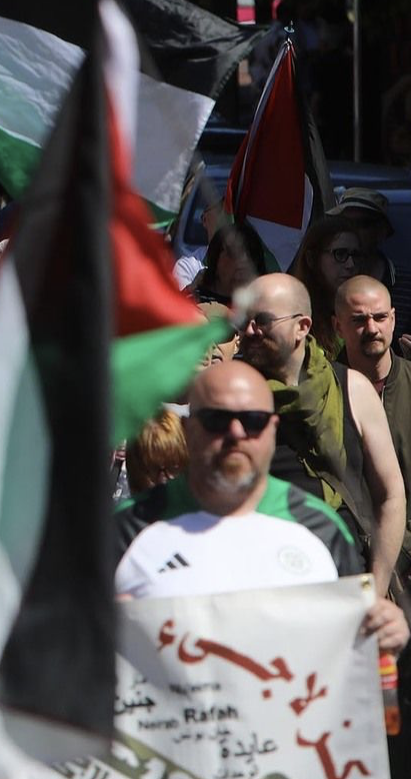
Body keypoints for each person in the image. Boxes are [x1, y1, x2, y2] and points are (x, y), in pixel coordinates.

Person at [114, 362, 408, 656]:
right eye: (217, 419)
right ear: (188, 429)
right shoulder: (126, 529)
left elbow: (349, 651)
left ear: (272, 430)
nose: (236, 432)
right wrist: (97, 629)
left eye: (253, 420)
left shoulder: (321, 529)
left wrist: (381, 631)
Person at [236, 271, 404, 591]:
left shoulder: (352, 389)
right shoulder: (231, 395)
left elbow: (391, 495)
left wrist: (377, 587)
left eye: (262, 320)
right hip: (261, 581)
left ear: (302, 327)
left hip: (343, 578)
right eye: (244, 320)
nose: (249, 330)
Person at [334, 275, 411, 583]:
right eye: (358, 320)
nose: (372, 329)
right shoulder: (323, 394)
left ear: (393, 319)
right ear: (338, 326)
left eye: (380, 317)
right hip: (352, 562)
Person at [290, 215, 366, 341]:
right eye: (340, 254)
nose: (351, 264)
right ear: (311, 258)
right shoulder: (293, 314)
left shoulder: (367, 312)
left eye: (355, 255)